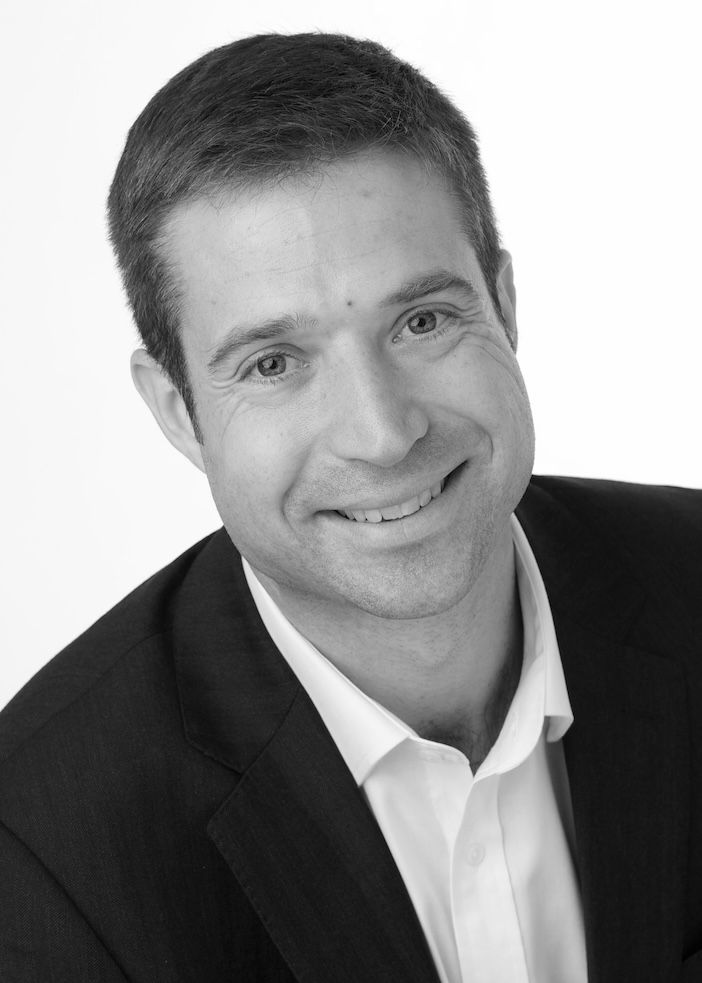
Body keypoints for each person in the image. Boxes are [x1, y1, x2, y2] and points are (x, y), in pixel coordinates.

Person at [1, 31, 700, 983]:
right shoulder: (43, 858)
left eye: (422, 320)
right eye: (273, 364)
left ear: (503, 304)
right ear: (177, 411)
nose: (382, 433)